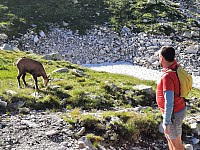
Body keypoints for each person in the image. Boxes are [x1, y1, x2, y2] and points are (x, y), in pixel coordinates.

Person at [156, 46, 186, 150]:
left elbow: (169, 102)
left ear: (162, 58)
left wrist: (166, 122)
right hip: (178, 110)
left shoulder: (167, 77)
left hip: (173, 114)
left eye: (159, 56)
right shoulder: (175, 67)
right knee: (170, 138)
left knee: (176, 144)